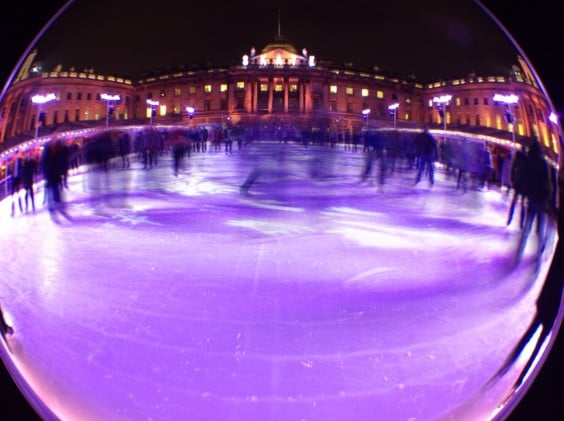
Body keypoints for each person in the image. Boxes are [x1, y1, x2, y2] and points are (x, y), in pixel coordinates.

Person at [514, 139, 552, 263]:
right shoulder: (543, 163)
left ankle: (519, 253)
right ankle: (538, 256)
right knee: (540, 229)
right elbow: (548, 183)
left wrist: (525, 194)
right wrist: (547, 198)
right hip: (540, 200)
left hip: (532, 199)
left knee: (527, 227)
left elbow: (524, 180)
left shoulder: (528, 162)